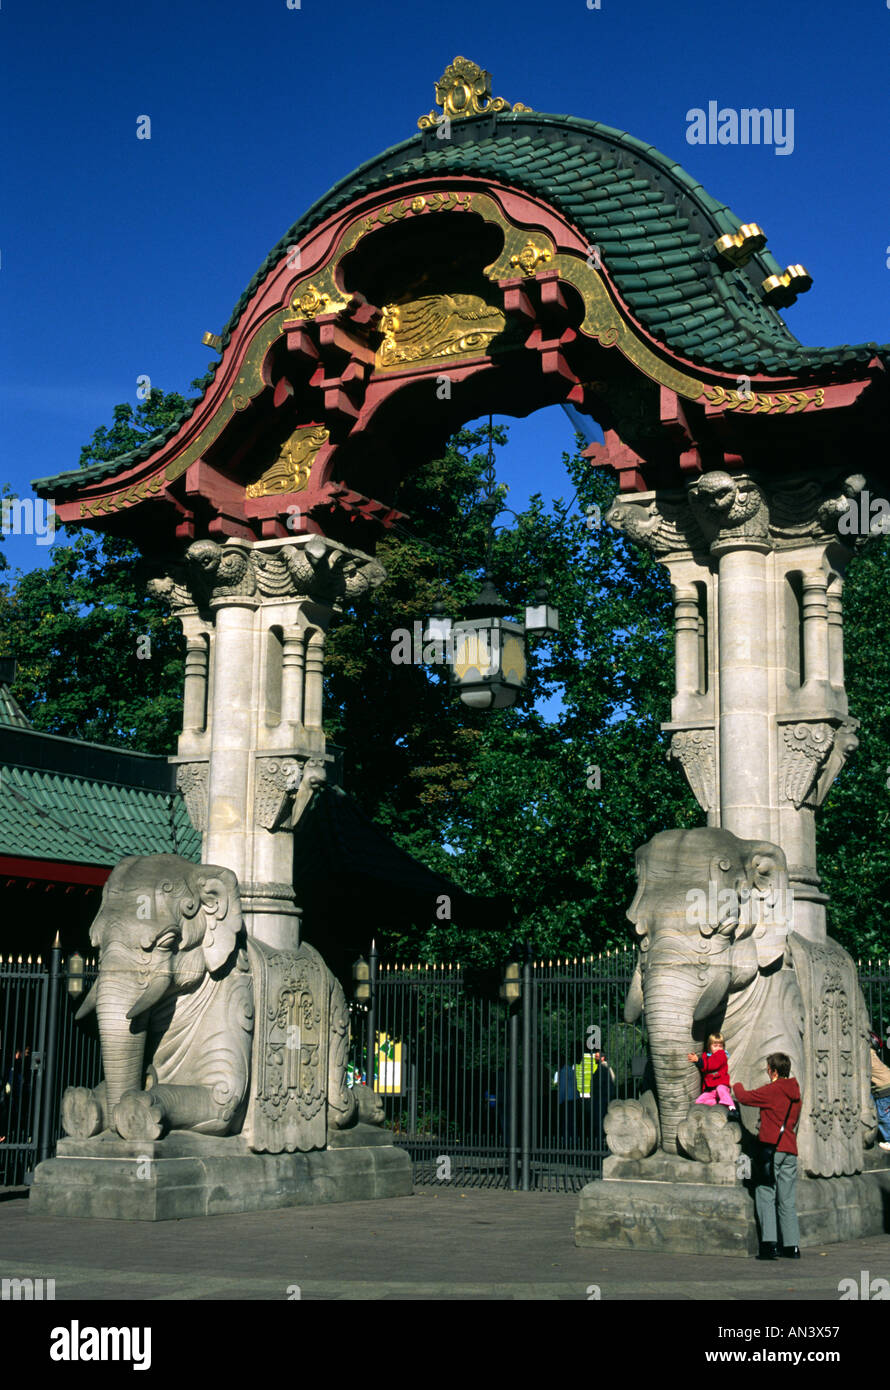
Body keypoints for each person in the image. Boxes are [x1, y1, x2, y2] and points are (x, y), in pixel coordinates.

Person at [733, 1052, 802, 1261]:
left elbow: (744, 1097)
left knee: (765, 1194)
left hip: (771, 1150)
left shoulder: (773, 1090)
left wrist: (735, 1083)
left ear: (772, 1071)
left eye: (768, 1069)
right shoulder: (795, 1093)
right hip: (790, 1149)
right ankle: (792, 1246)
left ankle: (769, 1245)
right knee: (787, 1200)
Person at [686, 1031, 737, 1114]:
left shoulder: (721, 1054)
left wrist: (698, 1061)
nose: (718, 1048)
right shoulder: (706, 1056)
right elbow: (704, 1068)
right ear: (709, 1046)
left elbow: (712, 1065)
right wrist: (699, 1060)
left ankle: (732, 1108)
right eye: (715, 1045)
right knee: (700, 1100)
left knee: (721, 1090)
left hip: (721, 1085)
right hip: (711, 1089)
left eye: (720, 1046)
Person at [869, 1032, 890, 1153]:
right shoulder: (873, 1054)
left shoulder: (866, 1055)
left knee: (883, 1116)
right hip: (887, 1084)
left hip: (884, 1089)